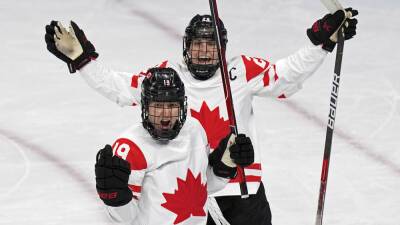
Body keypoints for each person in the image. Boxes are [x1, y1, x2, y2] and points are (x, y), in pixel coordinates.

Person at [45, 8, 358, 225]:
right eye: (198, 45)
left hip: (241, 191)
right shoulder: (167, 76)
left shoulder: (241, 70)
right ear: (186, 47)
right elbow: (120, 88)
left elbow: (285, 76)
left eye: (211, 45)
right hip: (193, 196)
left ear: (222, 48)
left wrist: (322, 45)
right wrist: (83, 61)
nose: (204, 52)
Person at [94, 67, 254, 225]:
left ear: (182, 106)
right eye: (157, 106)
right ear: (146, 106)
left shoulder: (195, 131)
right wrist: (114, 198)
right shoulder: (131, 147)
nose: (165, 114)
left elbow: (200, 190)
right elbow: (125, 218)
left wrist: (224, 166)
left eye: (171, 106)